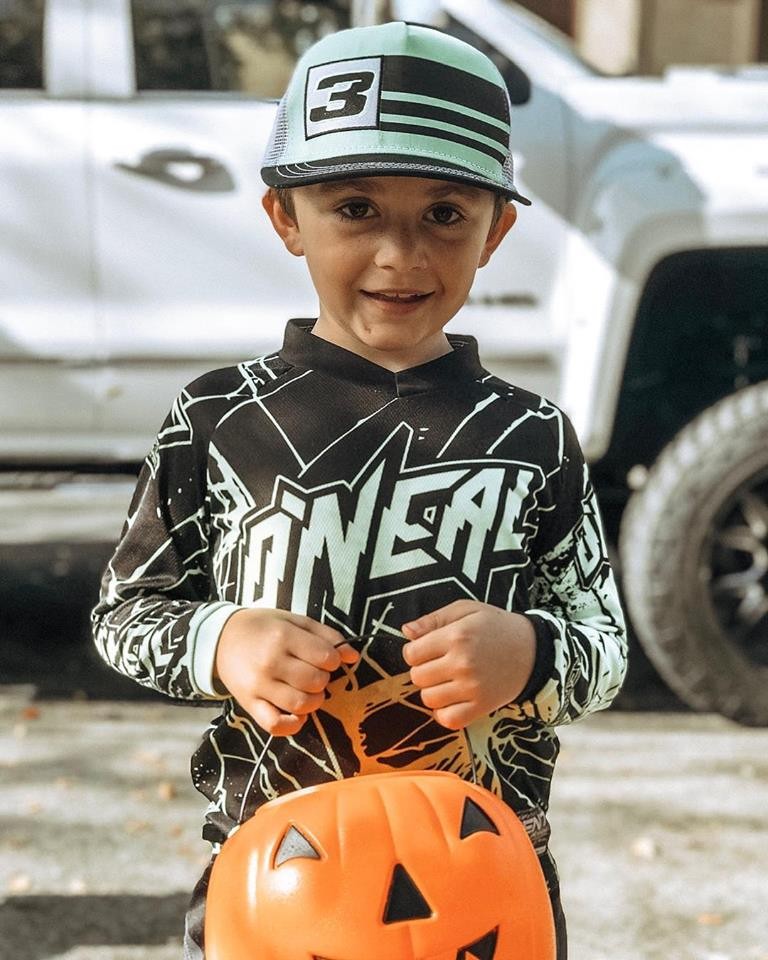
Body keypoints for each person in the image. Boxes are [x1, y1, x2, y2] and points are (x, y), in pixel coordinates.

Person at [92, 20, 627, 960]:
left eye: (445, 214)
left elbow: (607, 646)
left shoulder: (534, 436)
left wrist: (530, 653)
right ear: (285, 218)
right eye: (355, 208)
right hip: (277, 870)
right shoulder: (219, 419)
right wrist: (222, 640)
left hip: (481, 878)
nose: (399, 255)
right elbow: (124, 614)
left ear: (496, 231)